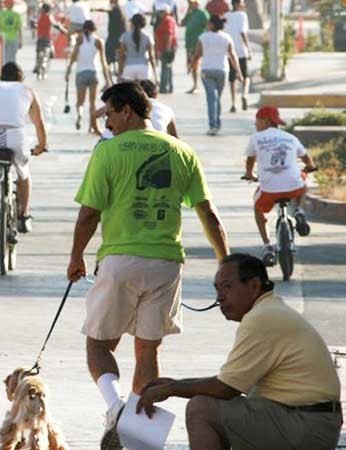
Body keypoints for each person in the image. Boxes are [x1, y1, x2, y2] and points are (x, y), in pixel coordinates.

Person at [66, 82, 229, 450]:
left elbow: (89, 213)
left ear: (127, 110)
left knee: (98, 344)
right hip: (166, 263)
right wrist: (225, 264)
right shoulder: (182, 151)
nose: (106, 123)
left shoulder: (108, 152)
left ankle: (115, 408)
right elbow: (208, 213)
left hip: (120, 260)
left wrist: (76, 257)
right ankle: (138, 434)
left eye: (109, 114)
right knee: (148, 350)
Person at [137, 254, 342, 450]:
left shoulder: (262, 318)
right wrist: (174, 383)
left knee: (201, 408)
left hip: (307, 426)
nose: (220, 298)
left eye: (227, 287)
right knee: (219, 407)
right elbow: (231, 382)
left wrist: (172, 388)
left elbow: (226, 388)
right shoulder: (270, 310)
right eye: (217, 289)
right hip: (308, 422)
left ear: (254, 286)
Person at [0, 62, 48, 238]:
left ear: (1, 76)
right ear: (20, 78)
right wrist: (41, 146)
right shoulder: (27, 91)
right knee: (24, 174)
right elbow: (39, 123)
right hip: (16, 136)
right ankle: (24, 215)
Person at [243, 106, 316, 264]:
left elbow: (250, 160)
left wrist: (249, 174)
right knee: (303, 181)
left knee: (258, 209)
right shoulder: (290, 138)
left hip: (269, 190)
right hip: (293, 188)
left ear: (266, 121)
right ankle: (299, 211)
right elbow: (306, 158)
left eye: (257, 120)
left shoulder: (256, 138)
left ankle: (268, 246)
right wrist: (310, 167)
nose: (255, 124)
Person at [192, 14, 242, 135]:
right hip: (222, 71)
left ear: (212, 24)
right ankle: (217, 123)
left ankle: (213, 125)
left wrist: (192, 66)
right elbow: (232, 55)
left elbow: (197, 55)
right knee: (216, 98)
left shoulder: (202, 37)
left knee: (211, 98)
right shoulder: (226, 37)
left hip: (206, 71)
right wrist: (239, 72)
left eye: (208, 22)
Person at [67, 20, 112, 133]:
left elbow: (74, 56)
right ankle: (92, 127)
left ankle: (80, 114)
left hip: (81, 73)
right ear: (94, 29)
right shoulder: (98, 41)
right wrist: (108, 79)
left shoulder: (79, 39)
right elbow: (103, 61)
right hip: (94, 73)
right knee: (92, 103)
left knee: (80, 101)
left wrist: (68, 70)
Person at [225, 0, 251, 112]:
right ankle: (244, 94)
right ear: (236, 4)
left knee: (232, 78)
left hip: (230, 51)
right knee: (245, 76)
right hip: (241, 51)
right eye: (241, 3)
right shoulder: (242, 15)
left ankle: (233, 103)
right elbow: (242, 32)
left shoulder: (226, 15)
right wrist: (248, 48)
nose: (243, 5)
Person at [118, 14, 158, 83]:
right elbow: (152, 57)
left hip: (129, 67)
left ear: (132, 22)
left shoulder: (125, 36)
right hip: (144, 67)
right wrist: (156, 75)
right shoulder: (148, 36)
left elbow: (121, 56)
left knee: (130, 92)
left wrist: (119, 73)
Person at [181, 0, 209, 94]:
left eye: (191, 3)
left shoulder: (203, 13)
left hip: (198, 44)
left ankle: (198, 85)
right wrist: (187, 12)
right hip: (189, 43)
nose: (190, 4)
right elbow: (182, 23)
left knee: (196, 64)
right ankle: (195, 85)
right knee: (192, 66)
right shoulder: (190, 13)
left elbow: (208, 26)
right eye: (189, 3)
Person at [92, 0, 126, 76]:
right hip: (118, 36)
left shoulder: (114, 7)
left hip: (114, 36)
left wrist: (95, 9)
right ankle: (116, 70)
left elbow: (106, 9)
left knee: (108, 54)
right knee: (117, 54)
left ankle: (109, 72)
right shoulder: (120, 9)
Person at [154, 8, 177, 93]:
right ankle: (169, 87)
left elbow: (169, 34)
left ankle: (164, 87)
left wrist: (167, 49)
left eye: (161, 12)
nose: (159, 13)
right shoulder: (165, 20)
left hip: (166, 47)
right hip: (165, 47)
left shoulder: (167, 20)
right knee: (167, 67)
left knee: (165, 67)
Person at [0, 0, 23, 64]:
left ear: (5, 4)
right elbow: (19, 29)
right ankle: (11, 72)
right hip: (14, 39)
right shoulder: (16, 15)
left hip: (3, 39)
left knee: (4, 58)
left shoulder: (1, 14)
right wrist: (21, 41)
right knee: (12, 58)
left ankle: (5, 72)